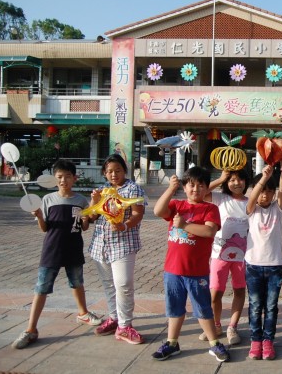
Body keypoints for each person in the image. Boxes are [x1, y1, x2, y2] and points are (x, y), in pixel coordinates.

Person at [11, 160, 102, 349]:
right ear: (54, 179)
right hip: (51, 250)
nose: (63, 180)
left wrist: (88, 214)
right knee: (41, 287)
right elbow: (45, 228)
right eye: (60, 177)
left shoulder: (80, 200)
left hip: (73, 248)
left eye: (68, 176)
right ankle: (31, 329)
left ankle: (83, 313)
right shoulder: (48, 200)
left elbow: (84, 227)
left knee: (77, 282)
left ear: (74, 178)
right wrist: (39, 216)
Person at [151, 167, 230, 362]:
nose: (196, 189)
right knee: (175, 309)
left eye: (201, 185)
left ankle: (214, 344)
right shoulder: (177, 205)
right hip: (173, 270)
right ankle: (171, 343)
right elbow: (157, 210)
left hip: (197, 272)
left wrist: (184, 226)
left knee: (203, 308)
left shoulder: (210, 209)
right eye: (191, 185)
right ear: (185, 187)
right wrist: (170, 189)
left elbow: (209, 232)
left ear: (206, 189)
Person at [89, 154, 147, 344]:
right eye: (109, 171)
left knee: (123, 283)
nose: (114, 174)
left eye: (117, 170)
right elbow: (93, 217)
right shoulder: (104, 190)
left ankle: (125, 326)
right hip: (101, 244)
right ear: (104, 173)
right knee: (109, 284)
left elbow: (138, 214)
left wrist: (124, 225)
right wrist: (95, 201)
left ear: (124, 170)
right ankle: (114, 318)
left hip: (123, 244)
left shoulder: (132, 189)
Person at [245, 158, 282, 360]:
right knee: (255, 305)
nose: (265, 195)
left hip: (274, 266)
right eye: (262, 190)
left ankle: (268, 341)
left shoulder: (277, 210)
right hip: (253, 265)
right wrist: (263, 178)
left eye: (269, 191)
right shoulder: (251, 210)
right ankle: (255, 340)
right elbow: (252, 198)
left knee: (271, 306)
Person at [202, 168, 251, 345]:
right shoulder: (219, 198)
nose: (236, 183)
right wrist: (221, 178)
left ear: (246, 181)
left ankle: (232, 326)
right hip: (218, 255)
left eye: (240, 179)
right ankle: (215, 325)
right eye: (231, 180)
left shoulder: (250, 202)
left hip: (243, 257)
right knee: (215, 293)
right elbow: (203, 192)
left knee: (239, 290)